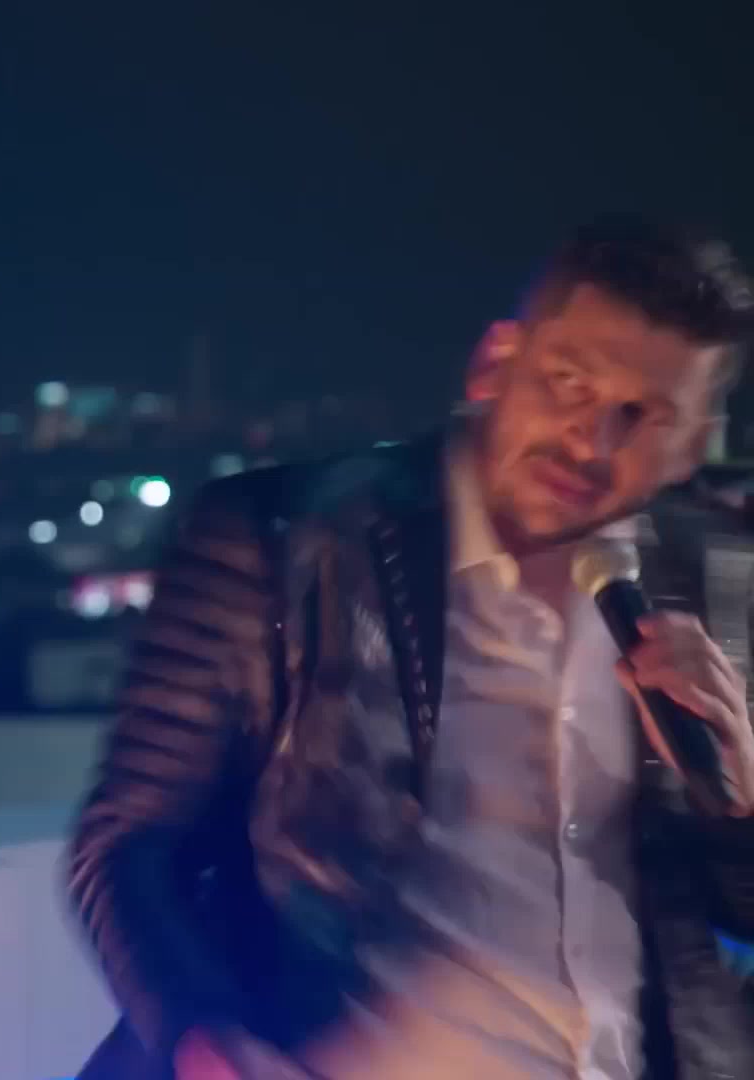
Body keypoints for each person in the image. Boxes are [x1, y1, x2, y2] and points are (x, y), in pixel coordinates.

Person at [68, 217, 754, 1080]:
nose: (592, 440)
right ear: (496, 363)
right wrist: (199, 1038)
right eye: (569, 383)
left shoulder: (719, 576)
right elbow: (128, 845)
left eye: (642, 415)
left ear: (695, 441)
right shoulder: (291, 540)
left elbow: (734, 912)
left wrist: (742, 798)